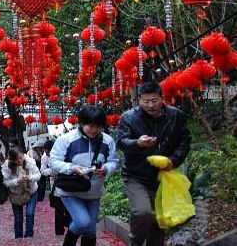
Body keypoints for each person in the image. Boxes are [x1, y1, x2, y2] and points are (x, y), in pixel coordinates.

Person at [117, 82, 191, 246]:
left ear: (162, 99)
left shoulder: (176, 115)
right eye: (146, 101)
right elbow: (121, 142)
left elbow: (185, 141)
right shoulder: (129, 117)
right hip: (136, 175)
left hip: (164, 174)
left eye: (154, 101)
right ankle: (135, 242)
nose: (150, 105)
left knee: (159, 221)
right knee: (143, 211)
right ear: (139, 100)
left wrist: (173, 161)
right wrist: (138, 143)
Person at [50, 105, 119, 246]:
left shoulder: (107, 141)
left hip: (94, 191)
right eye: (91, 126)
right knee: (83, 222)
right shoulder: (66, 140)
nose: (94, 130)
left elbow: (114, 162)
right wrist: (72, 167)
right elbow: (53, 161)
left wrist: (105, 168)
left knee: (90, 230)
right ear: (81, 123)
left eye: (98, 126)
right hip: (70, 190)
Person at [2, 147, 41, 239]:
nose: (20, 160)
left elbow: (38, 175)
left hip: (31, 191)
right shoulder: (7, 166)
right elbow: (6, 182)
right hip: (16, 194)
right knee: (18, 218)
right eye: (17, 159)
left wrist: (30, 178)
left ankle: (29, 235)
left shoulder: (30, 162)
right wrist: (17, 181)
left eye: (21, 157)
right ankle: (18, 237)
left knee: (30, 213)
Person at [41, 139, 71, 235]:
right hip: (56, 184)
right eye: (46, 152)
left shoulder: (63, 154)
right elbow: (43, 170)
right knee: (58, 210)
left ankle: (70, 226)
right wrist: (53, 171)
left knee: (68, 209)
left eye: (48, 152)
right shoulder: (45, 157)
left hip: (67, 184)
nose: (48, 154)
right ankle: (59, 231)